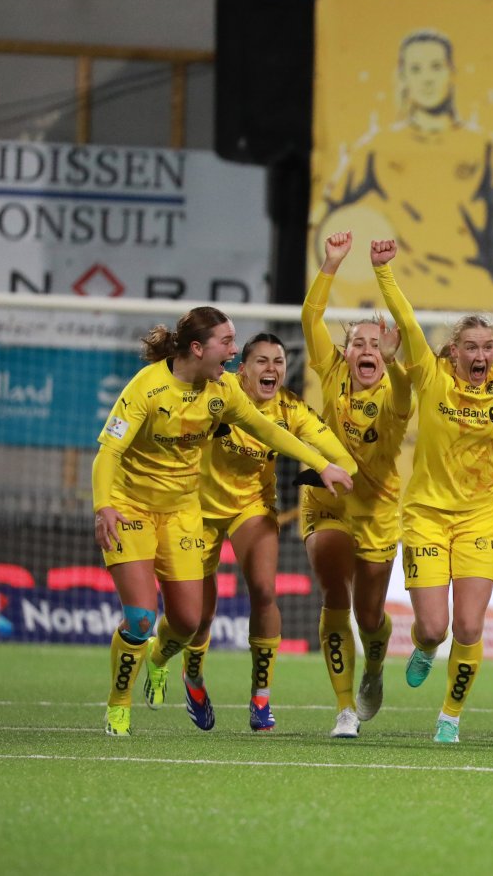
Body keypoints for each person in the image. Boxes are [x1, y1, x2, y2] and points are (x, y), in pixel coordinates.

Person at [93, 308, 353, 737]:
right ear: (198, 348)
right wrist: (104, 505)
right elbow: (108, 453)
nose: (234, 351)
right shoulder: (146, 388)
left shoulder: (222, 390)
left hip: (182, 513)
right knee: (140, 616)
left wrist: (321, 464)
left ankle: (160, 660)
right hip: (130, 508)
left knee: (187, 622)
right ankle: (119, 704)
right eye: (228, 343)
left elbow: (268, 431)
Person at [369, 231, 493, 743]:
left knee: (471, 628)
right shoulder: (431, 378)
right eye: (471, 348)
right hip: (426, 517)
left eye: (487, 347)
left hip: (480, 515)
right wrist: (384, 271)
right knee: (434, 628)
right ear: (454, 352)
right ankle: (422, 645)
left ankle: (450, 717)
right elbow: (408, 322)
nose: (481, 355)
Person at [184, 332, 354, 734]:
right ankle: (193, 677)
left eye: (278, 361)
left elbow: (340, 455)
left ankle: (261, 697)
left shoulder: (291, 408)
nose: (272, 369)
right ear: (241, 369)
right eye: (261, 361)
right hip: (198, 507)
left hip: (252, 506)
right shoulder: (218, 392)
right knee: (198, 615)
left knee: (264, 592)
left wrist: (324, 470)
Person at [301, 232, 417, 739]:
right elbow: (310, 319)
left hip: (377, 509)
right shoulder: (330, 374)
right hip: (327, 505)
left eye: (377, 342)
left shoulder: (395, 387)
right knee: (334, 595)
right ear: (345, 352)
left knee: (371, 616)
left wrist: (395, 360)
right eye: (359, 343)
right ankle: (344, 707)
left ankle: (373, 666)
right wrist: (331, 263)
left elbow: (410, 386)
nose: (367, 349)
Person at [313, 28, 493, 312]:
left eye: (436, 67)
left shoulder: (485, 147)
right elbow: (322, 215)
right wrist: (330, 295)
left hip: (468, 297)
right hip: (395, 300)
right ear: (404, 77)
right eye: (416, 69)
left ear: (452, 73)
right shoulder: (376, 147)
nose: (427, 79)